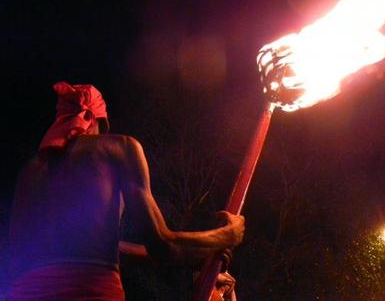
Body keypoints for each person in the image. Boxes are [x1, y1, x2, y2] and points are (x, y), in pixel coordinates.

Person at [6, 81, 245, 301]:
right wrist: (226, 235)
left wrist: (197, 253)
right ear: (98, 120)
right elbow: (162, 244)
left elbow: (110, 247)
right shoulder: (120, 147)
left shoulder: (31, 170)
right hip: (89, 291)